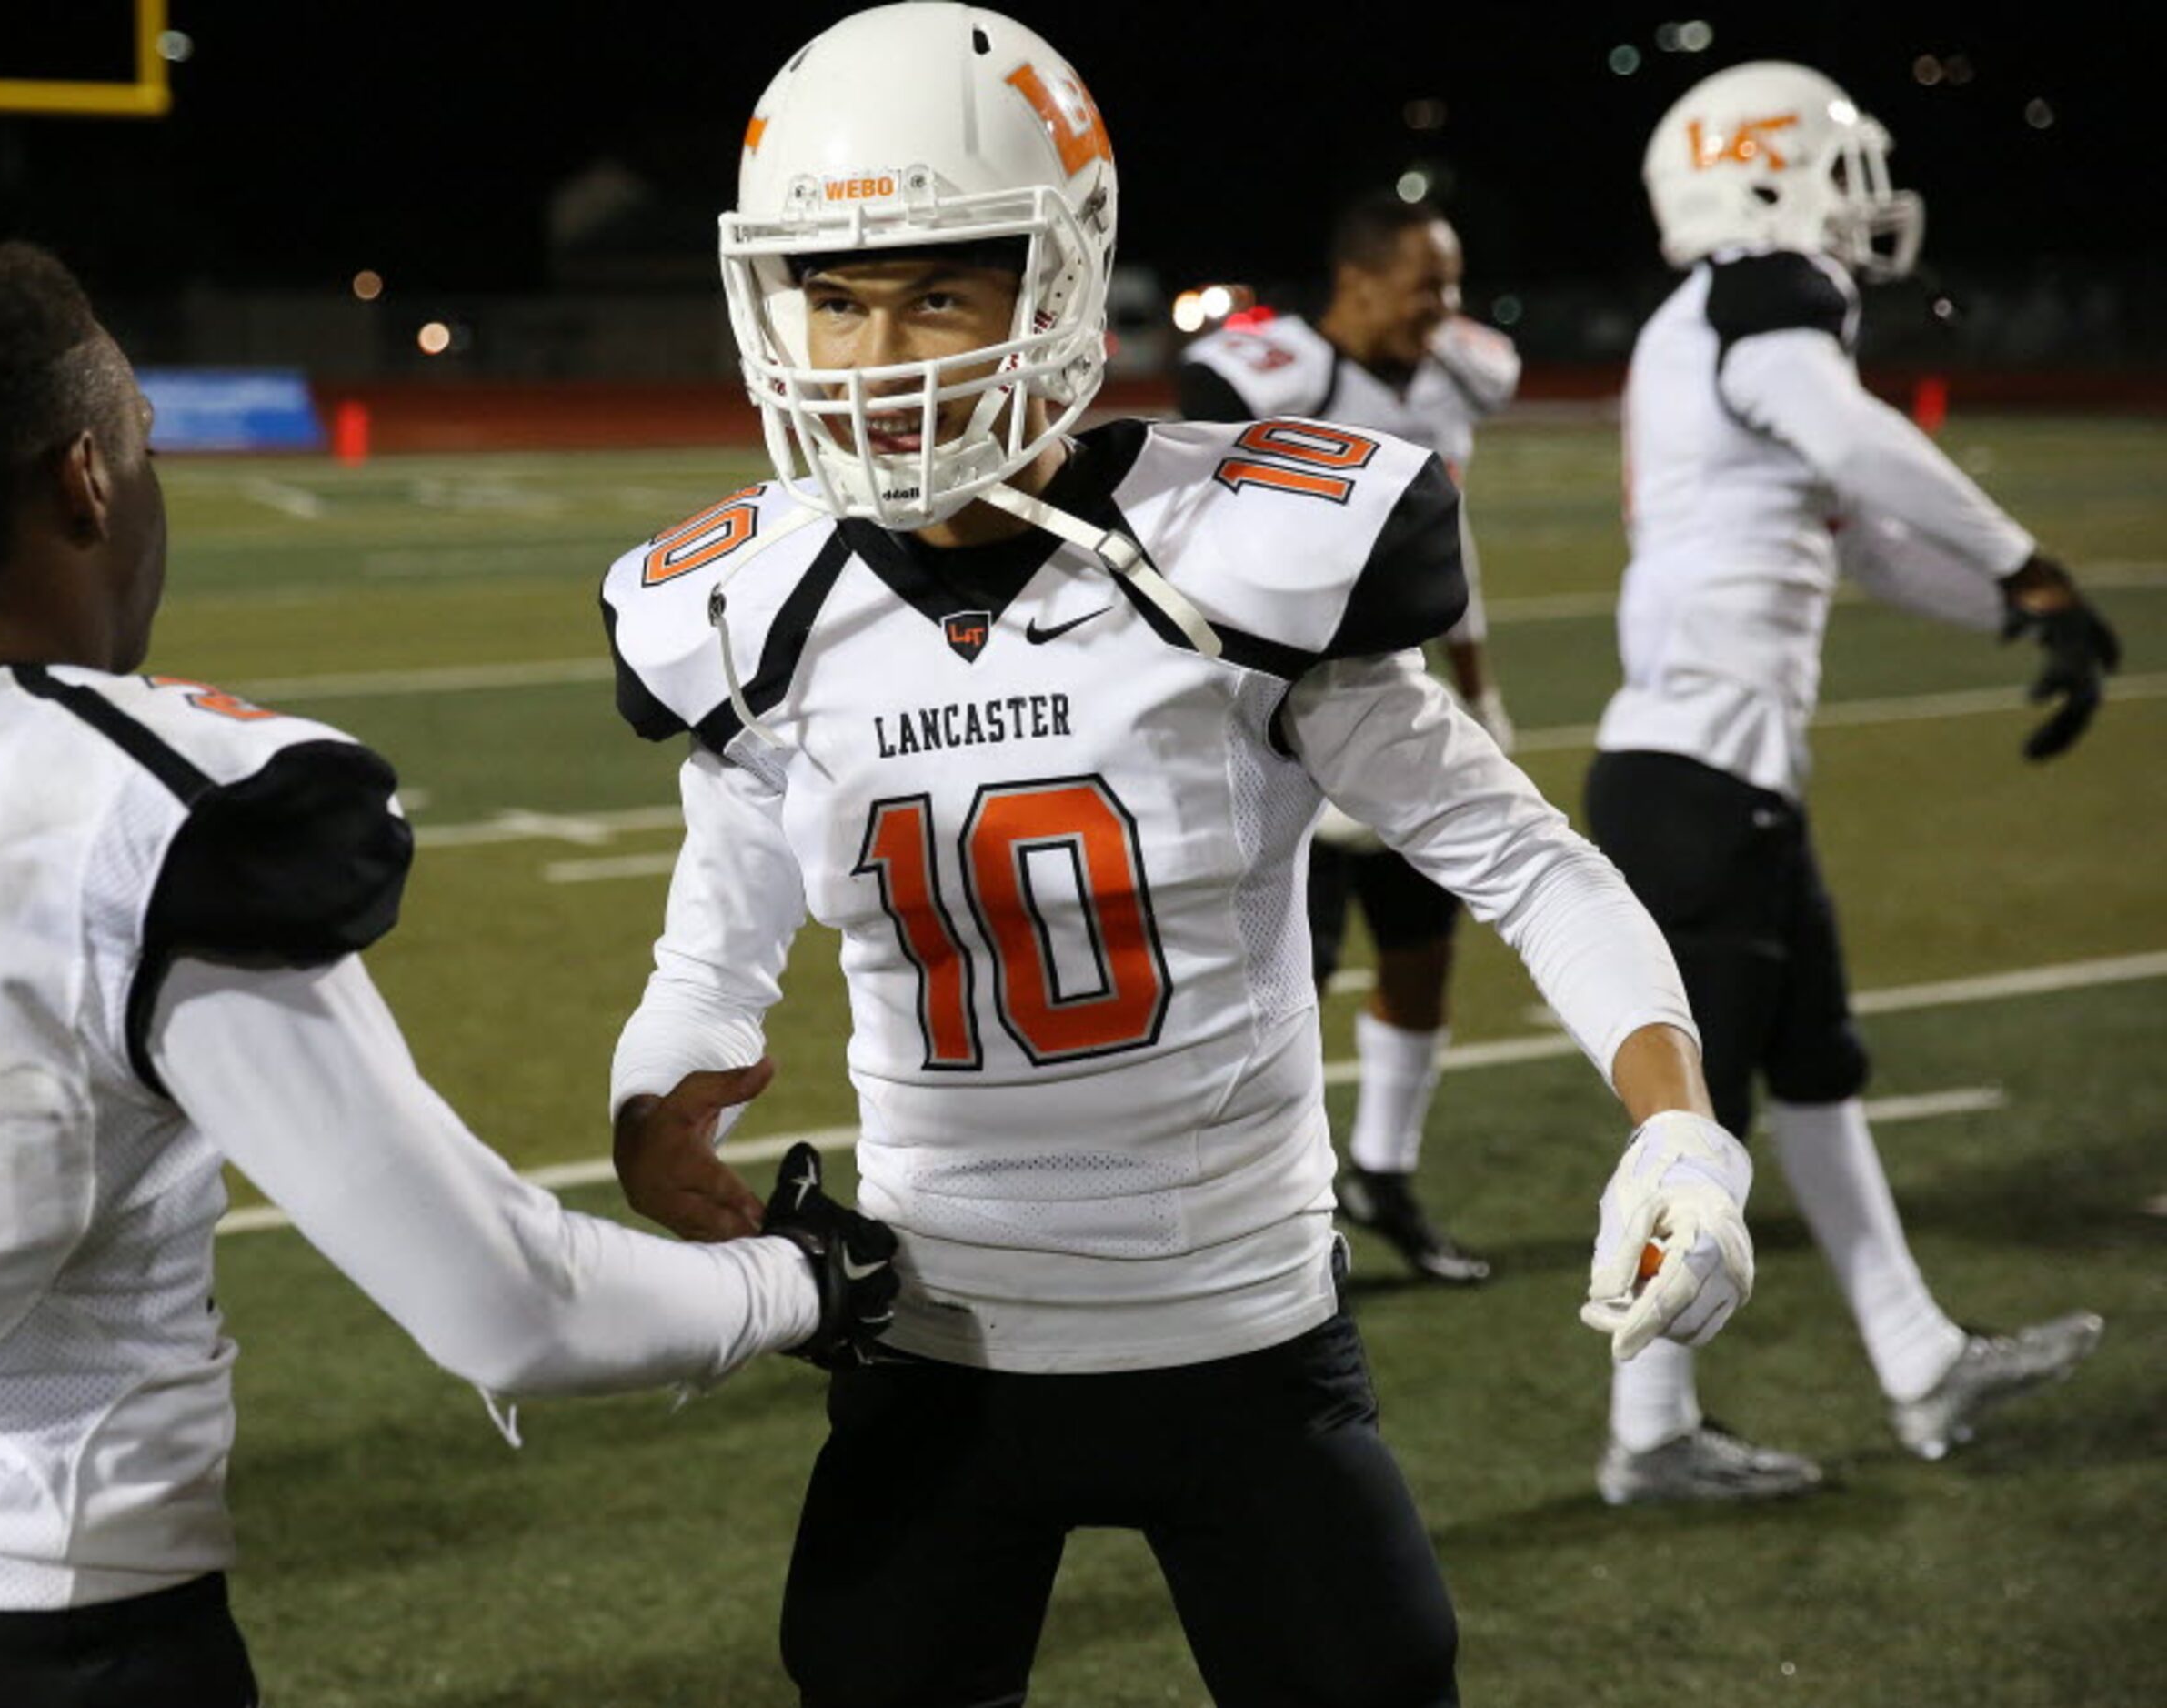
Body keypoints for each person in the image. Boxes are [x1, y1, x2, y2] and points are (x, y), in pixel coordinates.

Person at [600, 8, 1756, 1703]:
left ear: (1056, 285)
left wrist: (1678, 1127)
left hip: (1239, 1335)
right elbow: (707, 960)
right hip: (935, 1340)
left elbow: (1528, 860)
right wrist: (658, 1109)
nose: (869, 347)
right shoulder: (756, 606)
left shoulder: (1234, 558)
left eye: (934, 288)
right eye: (833, 294)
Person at [0, 241, 897, 1708]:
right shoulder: (148, 806)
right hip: (63, 1631)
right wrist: (803, 1283)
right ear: (85, 477)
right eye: (139, 448)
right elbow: (511, 1309)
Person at [1590, 60, 2112, 1504]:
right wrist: (2030, 561)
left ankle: (1920, 1360)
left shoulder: (1713, 327)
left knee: (1817, 1079)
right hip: (1701, 780)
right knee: (1699, 1125)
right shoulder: (1765, 293)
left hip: (1722, 778)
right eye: (1840, 164)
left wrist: (2022, 614)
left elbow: (1862, 537)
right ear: (1762, 171)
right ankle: (1650, 1434)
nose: (1863, 200)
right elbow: (1857, 447)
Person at [1175, 193, 1522, 1284]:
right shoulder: (1276, 374)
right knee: (1292, 979)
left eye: (1452, 282)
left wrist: (1481, 689)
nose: (1445, 306)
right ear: (1357, 279)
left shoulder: (1453, 373)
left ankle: (1385, 1170)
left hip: (1413, 706)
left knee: (1423, 955)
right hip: (1300, 720)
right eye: (1427, 282)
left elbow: (1448, 548)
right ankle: (1267, 1207)